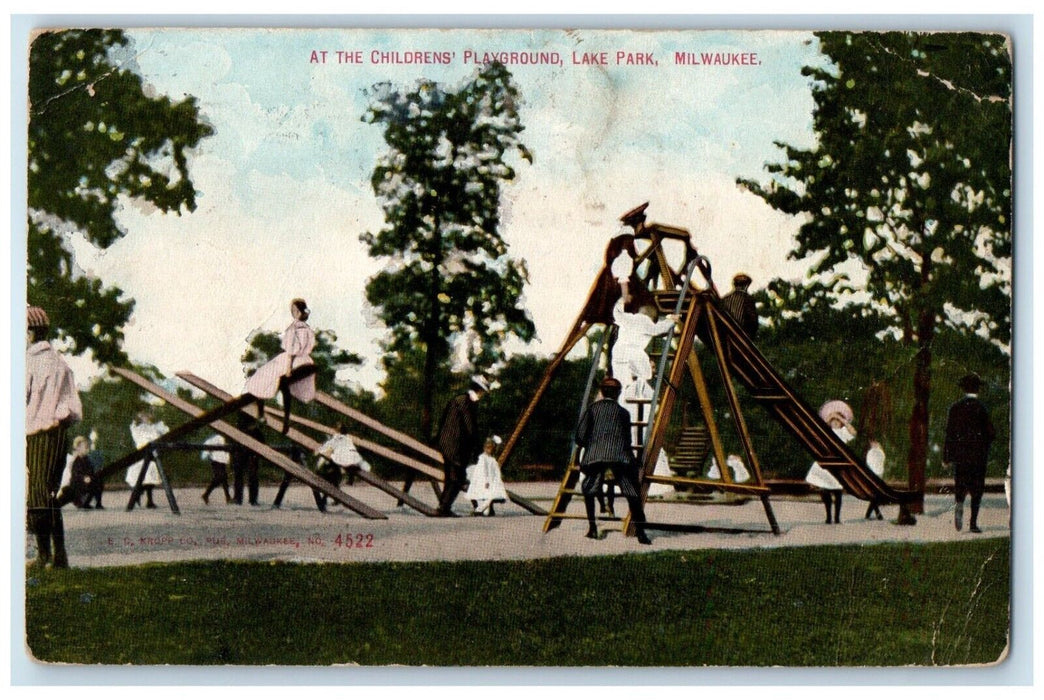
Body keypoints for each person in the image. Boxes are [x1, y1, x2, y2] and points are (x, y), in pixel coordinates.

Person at [26, 305, 83, 569]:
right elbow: (73, 407)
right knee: (49, 493)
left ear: (29, 332)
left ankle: (43, 555)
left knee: (38, 493)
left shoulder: (29, 362)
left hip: (36, 433)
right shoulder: (61, 362)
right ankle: (59, 556)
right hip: (58, 433)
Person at [574, 376, 652, 545]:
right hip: (619, 458)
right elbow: (627, 441)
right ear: (618, 394)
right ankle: (641, 532)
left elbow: (579, 437)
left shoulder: (592, 410)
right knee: (632, 492)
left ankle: (592, 528)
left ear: (601, 392)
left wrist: (592, 443)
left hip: (595, 458)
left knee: (589, 488)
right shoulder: (624, 413)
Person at [244, 298, 316, 434]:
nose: (293, 313)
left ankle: (261, 415)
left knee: (265, 375)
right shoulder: (307, 329)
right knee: (268, 373)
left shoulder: (294, 328)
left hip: (293, 360)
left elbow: (291, 351)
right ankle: (266, 415)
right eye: (292, 311)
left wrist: (288, 368)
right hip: (306, 360)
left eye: (295, 310)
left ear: (300, 312)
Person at [944, 373, 996, 534]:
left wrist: (947, 456)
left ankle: (959, 503)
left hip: (960, 456)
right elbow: (991, 433)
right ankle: (973, 523)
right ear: (978, 389)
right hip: (978, 457)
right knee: (977, 490)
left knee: (960, 484)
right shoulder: (981, 409)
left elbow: (950, 434)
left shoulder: (955, 408)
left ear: (963, 389)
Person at [434, 376, 489, 516]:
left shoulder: (459, 399)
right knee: (456, 478)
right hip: (455, 446)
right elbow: (470, 427)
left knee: (452, 477)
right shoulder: (465, 402)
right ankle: (443, 508)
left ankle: (444, 507)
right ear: (480, 390)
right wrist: (477, 447)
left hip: (449, 444)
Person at [806, 400, 856, 524]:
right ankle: (828, 516)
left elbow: (853, 432)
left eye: (837, 421)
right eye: (833, 421)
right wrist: (830, 417)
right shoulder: (826, 432)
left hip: (838, 463)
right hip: (827, 463)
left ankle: (837, 517)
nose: (835, 423)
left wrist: (842, 419)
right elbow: (819, 428)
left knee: (838, 491)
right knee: (825, 491)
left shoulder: (843, 432)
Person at [312, 423, 371, 511]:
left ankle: (323, 504)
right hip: (330, 471)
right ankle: (324, 503)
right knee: (325, 483)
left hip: (331, 472)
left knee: (324, 483)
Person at [125, 409, 167, 509]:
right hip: (141, 455)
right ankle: (138, 495)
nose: (145, 418)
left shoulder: (153, 427)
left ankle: (149, 500)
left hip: (150, 454)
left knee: (150, 479)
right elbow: (137, 436)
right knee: (140, 478)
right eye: (143, 416)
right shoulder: (138, 428)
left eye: (147, 416)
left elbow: (159, 435)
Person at [466, 436, 508, 516]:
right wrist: (486, 481)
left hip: (493, 480)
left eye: (491, 448)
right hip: (484, 480)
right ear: (484, 448)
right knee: (488, 495)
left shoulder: (492, 459)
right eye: (487, 448)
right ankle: (480, 509)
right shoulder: (483, 458)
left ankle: (481, 509)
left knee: (492, 495)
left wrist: (498, 478)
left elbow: (495, 471)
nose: (489, 450)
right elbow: (483, 470)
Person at [231, 413, 265, 506]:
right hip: (244, 454)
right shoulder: (242, 430)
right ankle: (244, 499)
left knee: (250, 476)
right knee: (243, 476)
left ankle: (246, 499)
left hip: (250, 455)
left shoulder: (253, 431)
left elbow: (262, 443)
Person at [57, 436, 94, 509]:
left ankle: (84, 502)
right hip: (72, 487)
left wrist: (90, 477)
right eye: (85, 447)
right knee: (62, 500)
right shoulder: (75, 460)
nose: (87, 449)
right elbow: (75, 474)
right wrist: (84, 478)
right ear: (78, 448)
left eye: (87, 447)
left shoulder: (87, 460)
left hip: (81, 485)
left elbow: (91, 471)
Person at [720, 273, 759, 339]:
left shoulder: (725, 299)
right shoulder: (747, 299)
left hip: (725, 335)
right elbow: (753, 321)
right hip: (741, 338)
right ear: (746, 286)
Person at [201, 433, 231, 505]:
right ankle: (207, 494)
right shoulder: (215, 438)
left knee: (224, 478)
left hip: (222, 460)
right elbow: (208, 445)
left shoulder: (225, 438)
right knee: (220, 477)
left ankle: (227, 496)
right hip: (215, 459)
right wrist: (207, 455)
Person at [864, 440, 886, 520]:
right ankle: (876, 514)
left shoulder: (879, 452)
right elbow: (870, 463)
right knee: (875, 495)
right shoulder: (872, 453)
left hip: (877, 475)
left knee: (875, 496)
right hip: (874, 475)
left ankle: (871, 513)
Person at [84, 430, 105, 509]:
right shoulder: (90, 450)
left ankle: (98, 503)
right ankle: (88, 503)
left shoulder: (98, 450)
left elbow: (101, 461)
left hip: (97, 471)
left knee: (98, 487)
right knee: (94, 488)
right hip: (92, 471)